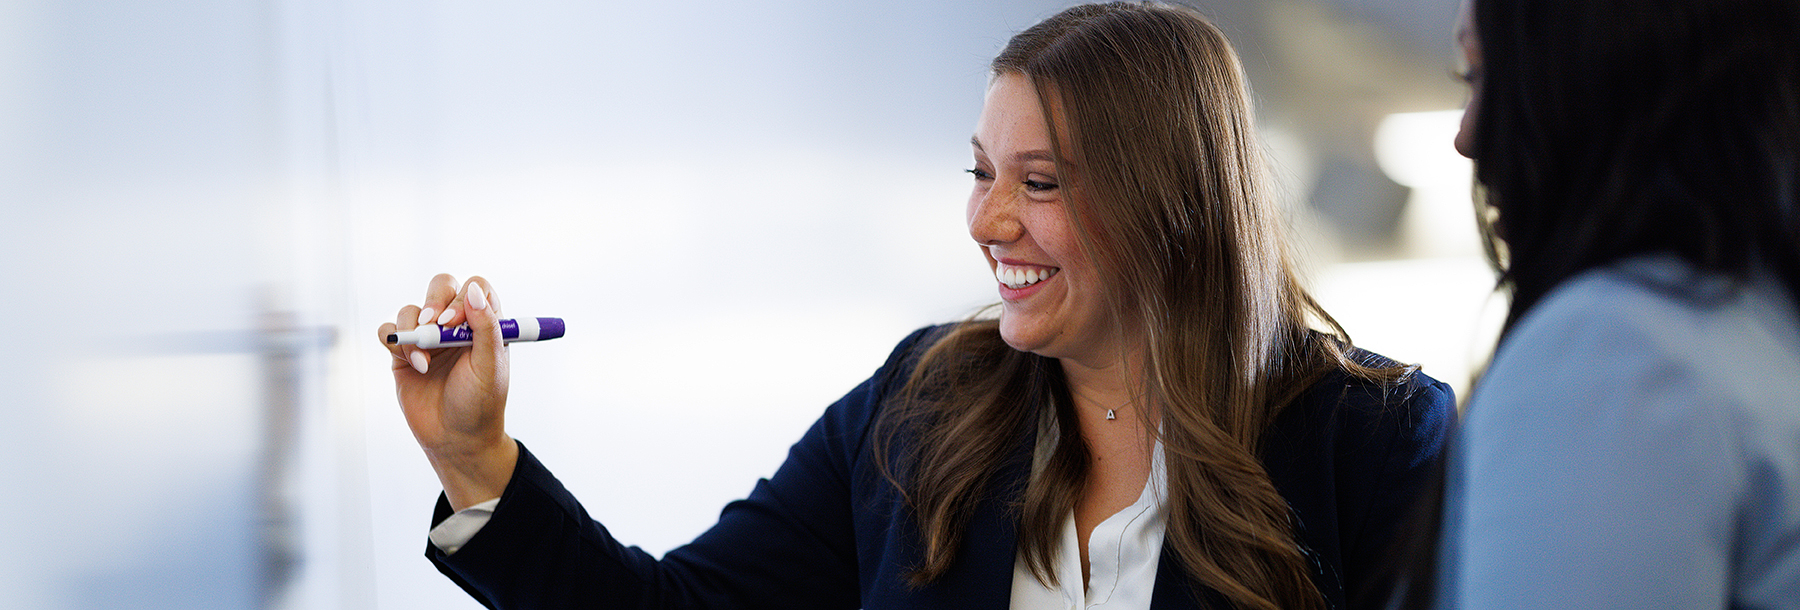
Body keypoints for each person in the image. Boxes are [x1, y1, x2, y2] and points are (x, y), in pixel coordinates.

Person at [379, 3, 1454, 609]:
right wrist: (474, 458)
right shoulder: (922, 404)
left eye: (1039, 183)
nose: (988, 220)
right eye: (980, 172)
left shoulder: (1371, 438)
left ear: (1174, 202)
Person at [1438, 0, 1800, 607]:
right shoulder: (1757, 323)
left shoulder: (1613, 353)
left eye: (1480, 74)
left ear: (1595, 69)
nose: (1466, 137)